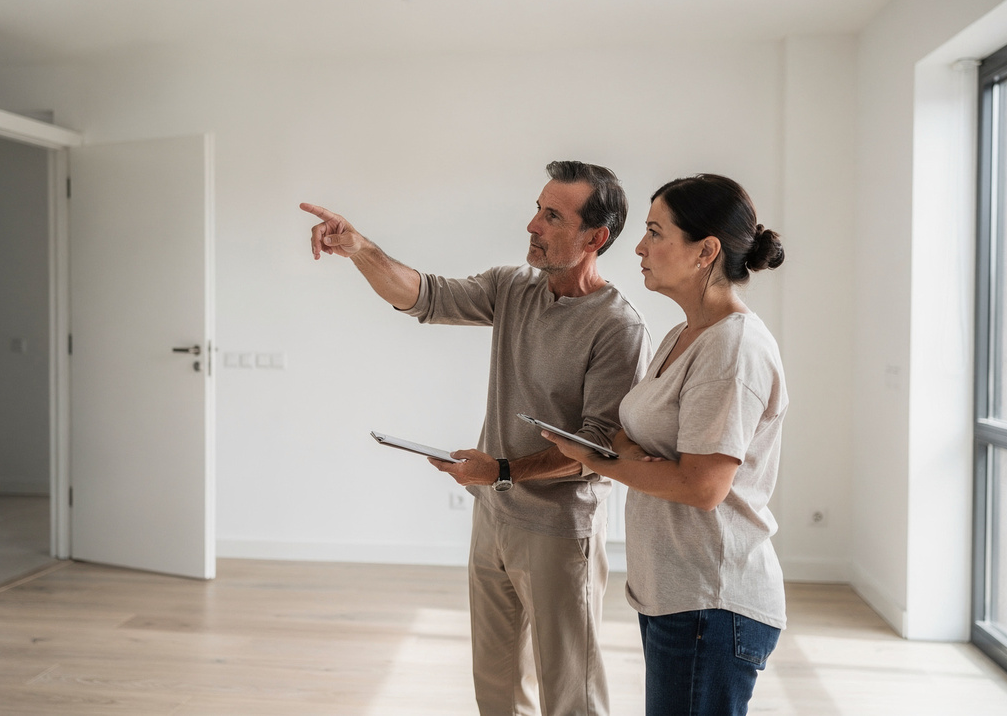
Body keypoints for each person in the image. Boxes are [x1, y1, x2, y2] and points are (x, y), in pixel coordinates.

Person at [302, 161, 652, 716]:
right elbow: (426, 295)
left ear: (595, 237)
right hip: (493, 518)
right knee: (495, 687)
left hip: (560, 534)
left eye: (552, 216)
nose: (533, 224)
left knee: (572, 694)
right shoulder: (513, 287)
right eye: (538, 208)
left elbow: (598, 453)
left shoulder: (618, 327)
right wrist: (361, 249)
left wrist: (505, 471)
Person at [541, 174, 788, 716]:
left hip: (713, 602)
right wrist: (630, 456)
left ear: (706, 252)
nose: (638, 246)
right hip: (678, 594)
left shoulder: (733, 349)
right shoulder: (684, 335)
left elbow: (702, 486)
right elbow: (633, 432)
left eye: (655, 232)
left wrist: (595, 459)